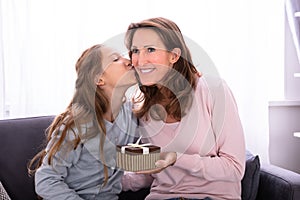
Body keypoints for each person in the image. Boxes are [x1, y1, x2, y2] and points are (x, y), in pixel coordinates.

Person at [122, 17, 246, 200]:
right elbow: (152, 173)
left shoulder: (213, 90)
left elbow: (234, 169)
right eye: (135, 51)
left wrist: (175, 158)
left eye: (150, 49)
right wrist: (108, 180)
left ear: (174, 55)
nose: (140, 61)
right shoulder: (144, 108)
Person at [28, 44, 139, 200]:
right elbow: (46, 180)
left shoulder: (131, 115)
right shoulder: (78, 125)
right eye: (115, 59)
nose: (128, 61)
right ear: (99, 79)